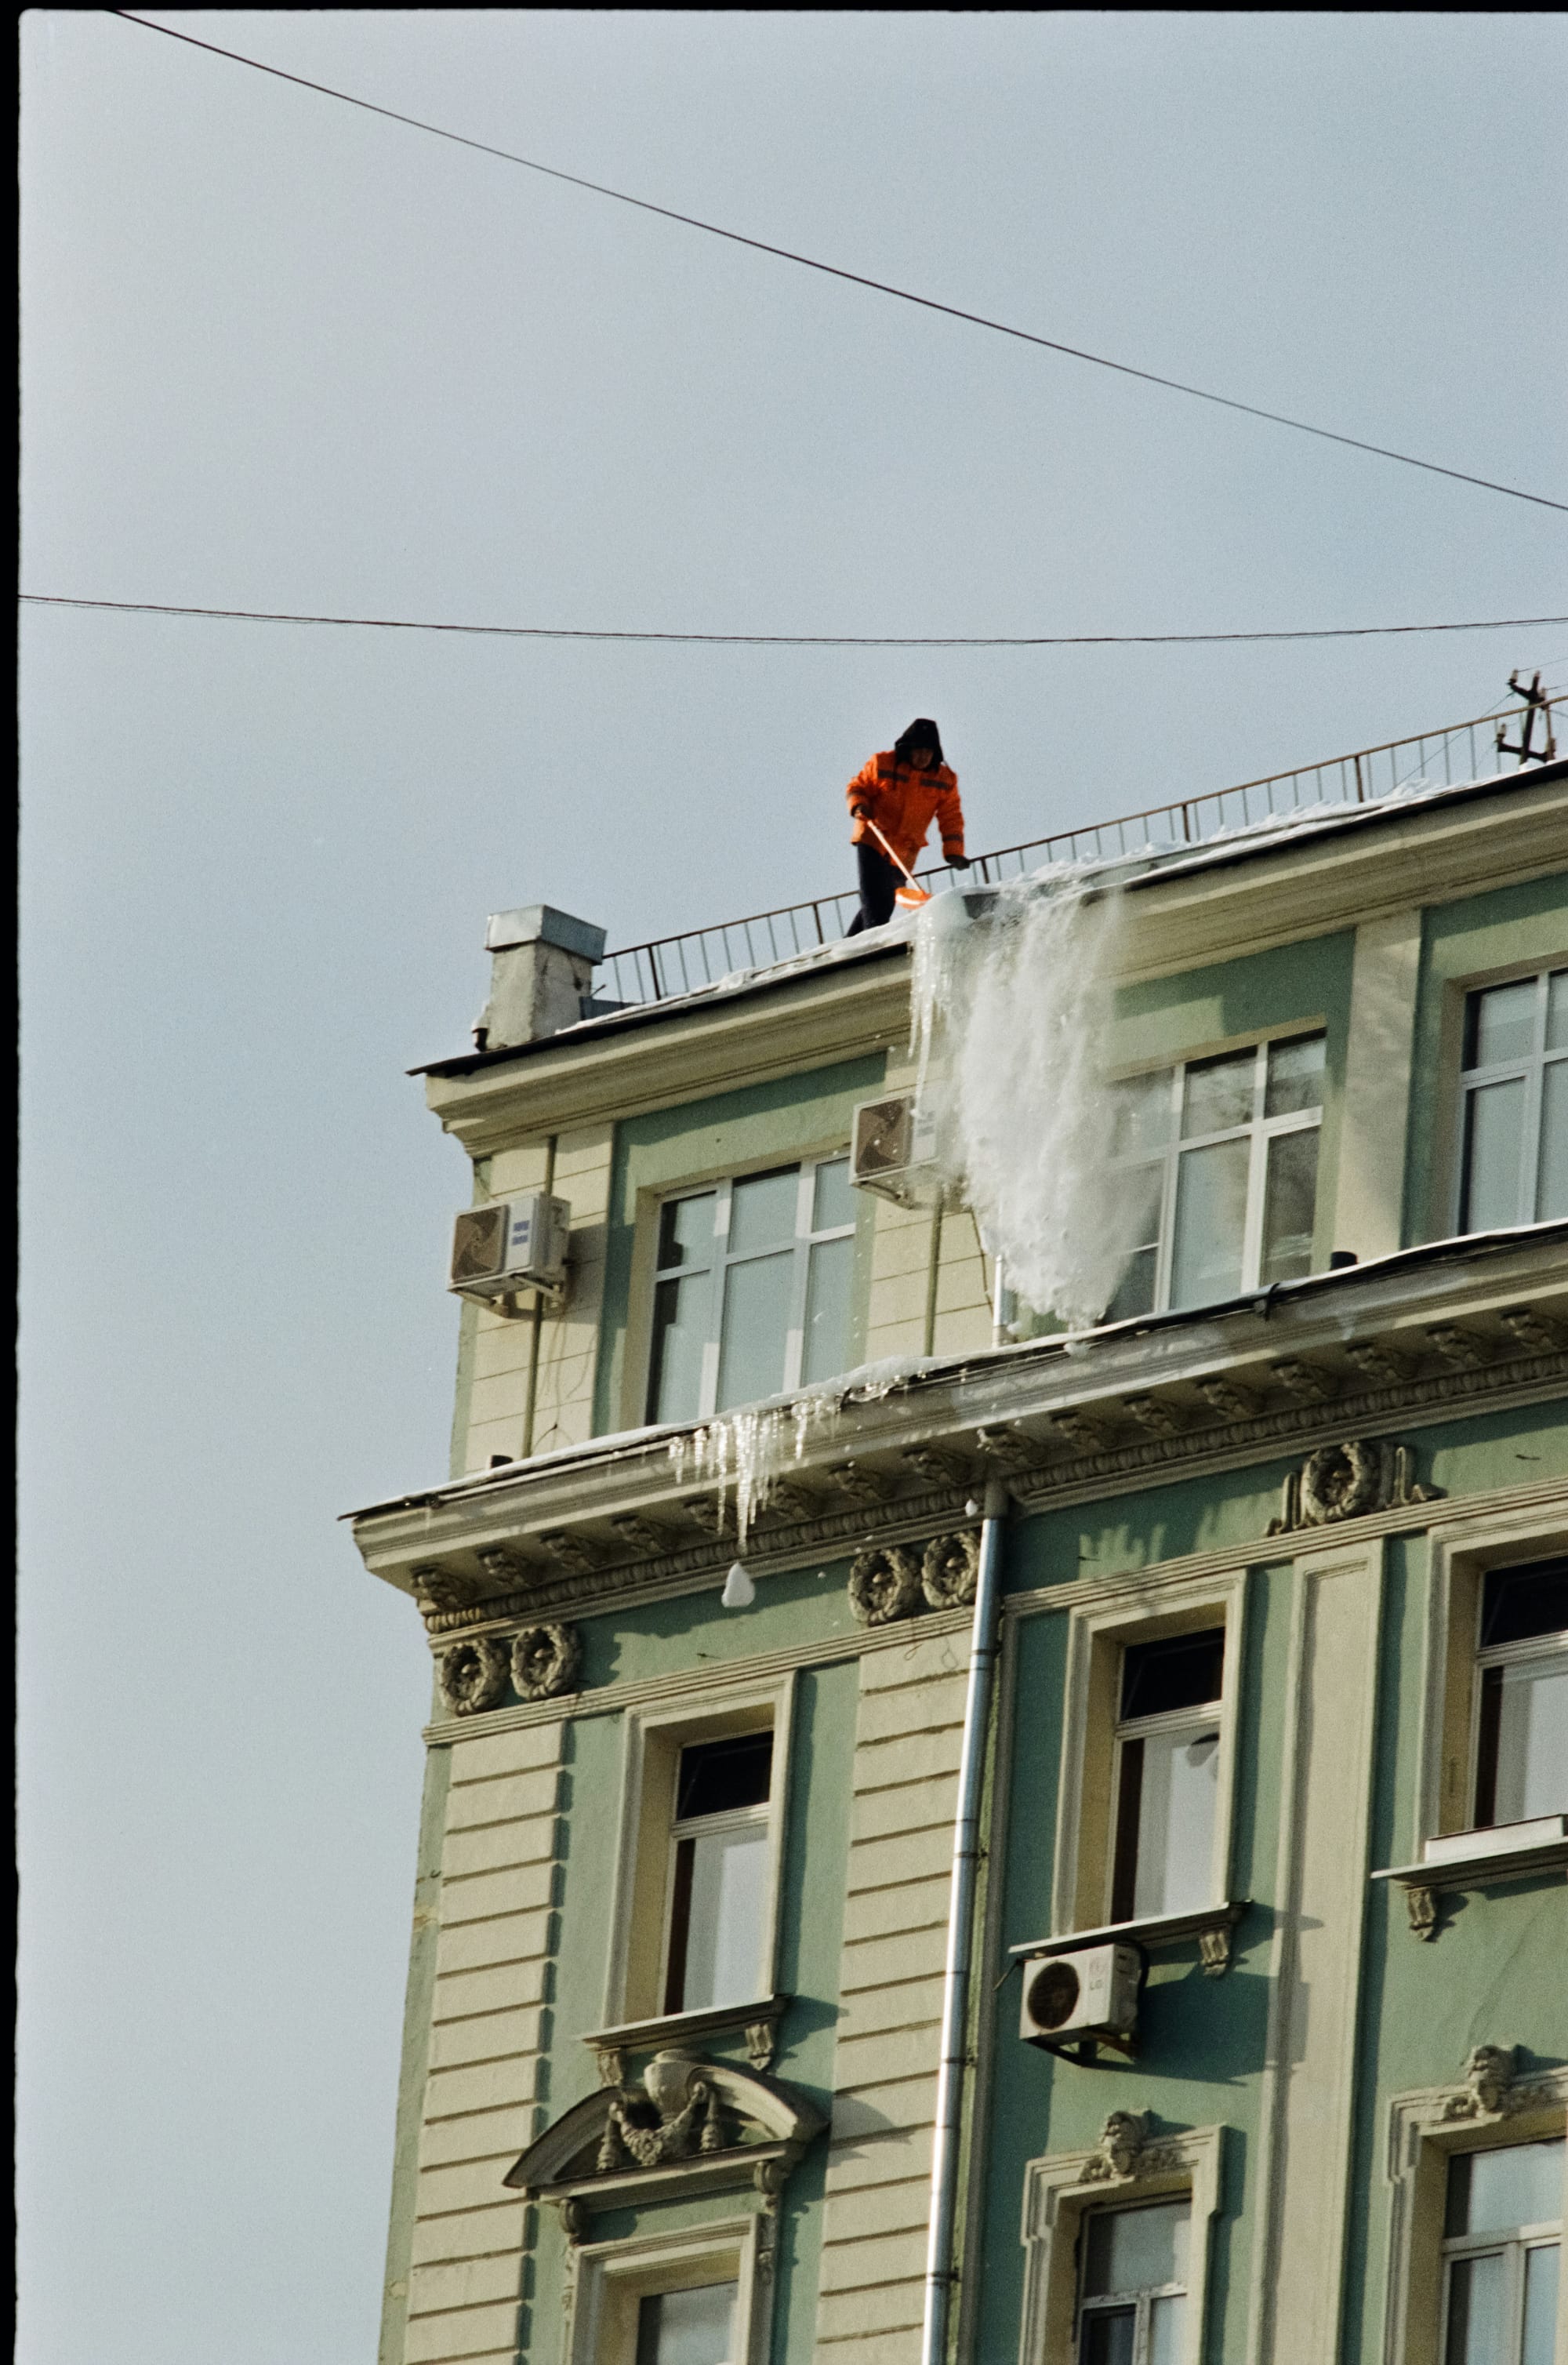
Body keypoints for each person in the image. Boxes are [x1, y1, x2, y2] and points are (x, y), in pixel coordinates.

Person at [844, 717, 970, 935]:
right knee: (877, 899)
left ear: (935, 753)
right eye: (918, 750)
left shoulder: (945, 780)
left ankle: (848, 946)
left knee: (884, 899)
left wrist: (954, 853)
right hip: (873, 837)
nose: (923, 757)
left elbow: (951, 817)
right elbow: (858, 786)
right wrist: (858, 805)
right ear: (908, 749)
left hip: (904, 850)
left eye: (928, 752)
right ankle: (872, 945)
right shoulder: (882, 763)